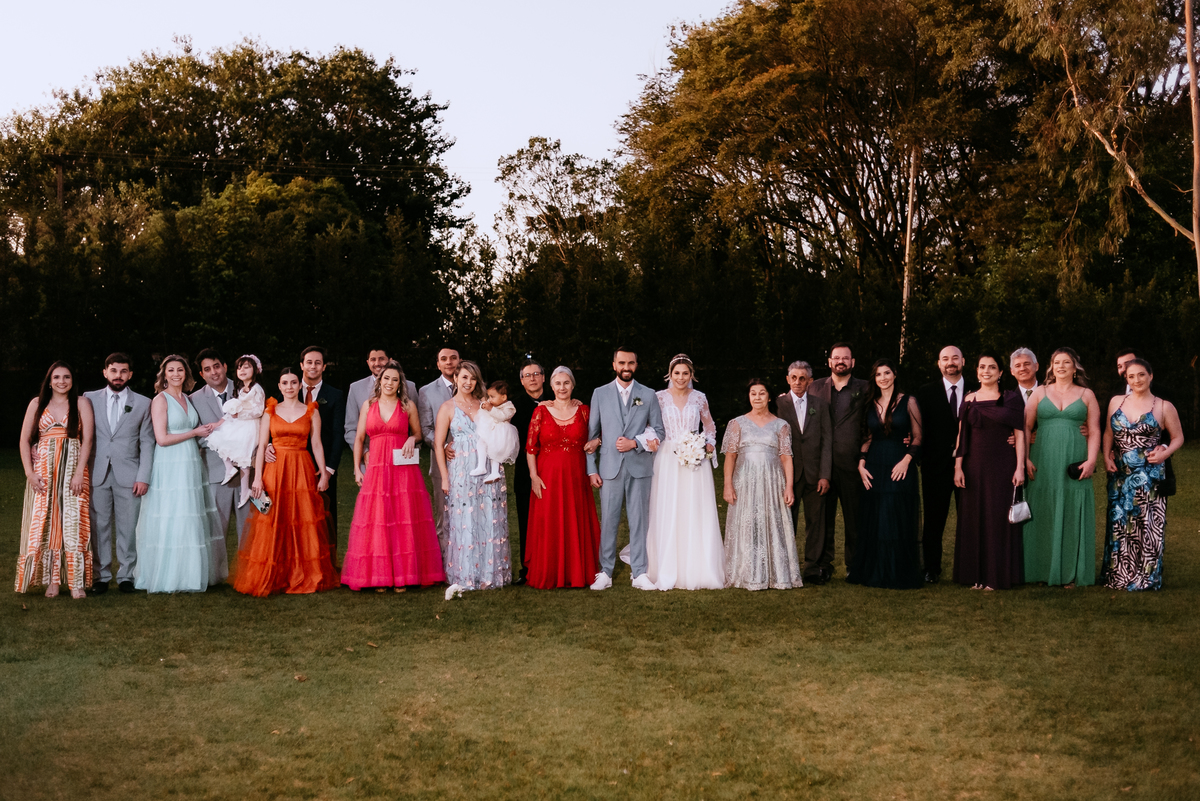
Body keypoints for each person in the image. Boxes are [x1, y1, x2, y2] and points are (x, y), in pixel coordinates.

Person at [235, 367, 340, 596]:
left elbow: (317, 444)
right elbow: (262, 446)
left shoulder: (311, 411)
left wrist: (324, 473)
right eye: (285, 383)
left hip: (301, 468)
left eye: (293, 382)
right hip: (275, 471)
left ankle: (303, 572)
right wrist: (257, 478)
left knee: (302, 518)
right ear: (279, 386)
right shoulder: (270, 411)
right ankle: (274, 573)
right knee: (274, 518)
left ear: (299, 385)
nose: (290, 386)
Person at [342, 361, 445, 592]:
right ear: (380, 381)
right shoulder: (369, 405)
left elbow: (418, 433)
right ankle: (379, 575)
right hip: (376, 469)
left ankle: (404, 575)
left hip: (403, 470)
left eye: (395, 380)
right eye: (386, 378)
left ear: (400, 384)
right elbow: (359, 438)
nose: (389, 383)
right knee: (378, 519)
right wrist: (357, 468)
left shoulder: (407, 406)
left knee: (403, 517)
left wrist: (411, 439)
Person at [134, 355, 222, 592]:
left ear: (186, 374)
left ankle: (190, 575)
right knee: (172, 514)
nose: (176, 374)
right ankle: (168, 576)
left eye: (180, 370)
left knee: (189, 514)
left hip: (190, 461)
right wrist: (194, 433)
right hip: (169, 463)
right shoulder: (160, 400)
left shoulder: (187, 399)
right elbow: (162, 439)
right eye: (171, 370)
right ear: (164, 375)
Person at [636, 354, 725, 591]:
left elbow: (709, 426)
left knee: (694, 507)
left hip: (694, 458)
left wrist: (708, 443)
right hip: (667, 458)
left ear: (691, 375)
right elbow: (650, 426)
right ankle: (665, 565)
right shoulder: (659, 397)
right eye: (677, 373)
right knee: (668, 507)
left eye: (686, 373)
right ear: (670, 374)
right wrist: (652, 439)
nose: (681, 377)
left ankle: (697, 566)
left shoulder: (699, 398)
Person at [585, 347, 665, 591]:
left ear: (636, 365)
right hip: (609, 468)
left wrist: (635, 443)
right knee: (609, 520)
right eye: (622, 363)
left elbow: (659, 431)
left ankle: (639, 572)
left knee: (639, 521)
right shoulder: (600, 393)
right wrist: (591, 469)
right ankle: (605, 572)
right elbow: (592, 436)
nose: (626, 367)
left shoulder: (648, 394)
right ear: (614, 365)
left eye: (630, 363)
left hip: (639, 467)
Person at [1100, 358, 1183, 590]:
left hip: (1150, 476)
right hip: (1120, 475)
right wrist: (1106, 457)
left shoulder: (1163, 406)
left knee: (1147, 525)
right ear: (1126, 379)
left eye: (1141, 375)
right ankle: (1118, 575)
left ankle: (1146, 577)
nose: (1136, 380)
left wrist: (1165, 454)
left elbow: (1178, 438)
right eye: (1131, 376)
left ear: (1150, 376)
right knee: (1120, 523)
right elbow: (1108, 433)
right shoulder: (1116, 401)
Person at [15, 362, 95, 599]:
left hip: (73, 470)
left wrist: (79, 472)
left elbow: (88, 439)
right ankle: (52, 581)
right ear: (49, 381)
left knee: (73, 521)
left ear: (72, 380)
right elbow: (24, 440)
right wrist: (29, 473)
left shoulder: (81, 403)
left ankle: (76, 583)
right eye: (57, 377)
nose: (62, 381)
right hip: (44, 472)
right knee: (47, 523)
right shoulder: (37, 403)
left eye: (67, 377)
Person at [1023, 347, 1101, 587]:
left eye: (1066, 362)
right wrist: (1025, 458)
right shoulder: (1039, 392)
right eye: (1057, 362)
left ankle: (1070, 572)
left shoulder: (1087, 394)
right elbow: (1026, 426)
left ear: (1075, 367)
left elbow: (1095, 429)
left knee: (1072, 511)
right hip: (1043, 460)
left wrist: (1091, 461)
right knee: (1043, 510)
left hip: (1073, 460)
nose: (1061, 366)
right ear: (1051, 367)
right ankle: (1039, 570)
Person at [434, 361, 511, 596]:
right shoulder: (447, 407)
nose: (468, 382)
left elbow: (503, 423)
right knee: (464, 519)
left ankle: (490, 574)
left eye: (473, 378)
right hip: (460, 471)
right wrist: (444, 478)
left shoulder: (485, 404)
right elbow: (438, 445)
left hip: (487, 468)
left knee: (489, 518)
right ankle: (465, 574)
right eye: (464, 377)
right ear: (456, 378)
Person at [847, 359, 924, 589]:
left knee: (895, 515)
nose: (883, 378)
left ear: (895, 374)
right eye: (879, 374)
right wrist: (861, 464)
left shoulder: (909, 401)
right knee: (876, 516)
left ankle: (896, 572)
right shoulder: (870, 403)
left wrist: (907, 461)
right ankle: (875, 570)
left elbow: (918, 436)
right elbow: (868, 437)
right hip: (874, 465)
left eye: (887, 373)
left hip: (899, 464)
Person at [952, 353, 1026, 590]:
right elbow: (961, 436)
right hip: (974, 466)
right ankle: (975, 576)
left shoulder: (1011, 399)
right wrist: (958, 467)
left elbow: (1020, 435)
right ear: (976, 371)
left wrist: (1020, 467)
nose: (986, 371)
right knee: (973, 518)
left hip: (1002, 466)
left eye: (992, 367)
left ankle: (996, 576)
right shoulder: (969, 399)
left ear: (1000, 372)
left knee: (997, 519)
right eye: (982, 367)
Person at [721, 378, 802, 590]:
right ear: (748, 397)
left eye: (762, 393)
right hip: (745, 480)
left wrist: (789, 486)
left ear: (769, 397)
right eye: (753, 393)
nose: (757, 397)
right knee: (747, 523)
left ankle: (776, 574)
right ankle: (746, 573)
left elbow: (786, 457)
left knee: (772, 523)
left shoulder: (781, 425)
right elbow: (730, 456)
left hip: (772, 481)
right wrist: (727, 485)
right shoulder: (737, 423)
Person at [524, 366, 602, 589]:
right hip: (547, 477)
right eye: (557, 383)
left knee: (575, 520)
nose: (562, 387)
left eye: (566, 383)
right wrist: (533, 476)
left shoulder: (584, 411)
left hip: (576, 477)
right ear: (551, 386)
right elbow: (531, 448)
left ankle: (577, 572)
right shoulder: (540, 411)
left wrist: (597, 441)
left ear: (573, 385)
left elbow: (600, 432)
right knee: (550, 522)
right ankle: (550, 572)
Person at [85, 353, 155, 594]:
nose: (118, 375)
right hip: (97, 472)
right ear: (105, 372)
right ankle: (101, 577)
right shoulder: (88, 399)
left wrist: (143, 476)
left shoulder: (144, 403)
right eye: (114, 371)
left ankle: (126, 576)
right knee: (99, 526)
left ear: (130, 374)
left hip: (130, 475)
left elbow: (147, 442)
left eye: (123, 371)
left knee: (128, 527)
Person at [808, 343, 869, 581]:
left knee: (855, 519)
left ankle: (855, 565)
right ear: (829, 362)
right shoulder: (814, 387)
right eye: (836, 358)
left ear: (853, 362)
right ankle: (823, 566)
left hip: (853, 463)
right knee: (823, 519)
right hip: (821, 465)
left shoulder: (865, 388)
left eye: (845, 358)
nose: (840, 361)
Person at [775, 360, 832, 585]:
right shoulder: (778, 404)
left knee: (815, 523)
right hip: (787, 474)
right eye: (794, 378)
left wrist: (825, 474)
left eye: (802, 378)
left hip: (815, 473)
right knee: (786, 521)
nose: (798, 382)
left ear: (810, 381)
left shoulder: (821, 405)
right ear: (787, 379)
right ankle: (786, 567)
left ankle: (812, 568)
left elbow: (827, 441)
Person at [193, 349, 252, 550]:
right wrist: (228, 446)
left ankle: (248, 570)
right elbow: (198, 437)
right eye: (207, 369)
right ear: (202, 374)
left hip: (247, 471)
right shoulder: (194, 399)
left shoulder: (247, 389)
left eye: (217, 366)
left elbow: (261, 423)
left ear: (225, 367)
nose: (214, 372)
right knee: (216, 533)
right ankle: (216, 570)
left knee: (250, 531)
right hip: (216, 474)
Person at [916, 345, 965, 583]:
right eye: (945, 358)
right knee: (934, 520)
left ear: (963, 361)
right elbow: (916, 426)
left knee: (970, 518)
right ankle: (931, 568)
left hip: (970, 465)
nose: (950, 362)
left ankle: (969, 568)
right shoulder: (925, 393)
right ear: (939, 364)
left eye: (955, 358)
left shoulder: (978, 390)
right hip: (935, 466)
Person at [299, 346, 345, 552]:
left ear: (324, 367)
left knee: (326, 514)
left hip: (323, 465)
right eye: (309, 362)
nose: (313, 366)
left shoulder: (335, 395)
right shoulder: (288, 390)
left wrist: (329, 469)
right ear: (301, 365)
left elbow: (338, 434)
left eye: (318, 363)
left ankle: (327, 561)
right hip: (294, 462)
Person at [202, 354, 265, 504]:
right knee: (218, 435)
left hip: (250, 426)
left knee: (244, 458)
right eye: (239, 367)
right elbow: (232, 412)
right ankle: (229, 468)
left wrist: (240, 414)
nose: (242, 370)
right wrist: (218, 424)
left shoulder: (257, 389)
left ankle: (244, 490)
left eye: (247, 367)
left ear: (255, 370)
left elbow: (259, 410)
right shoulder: (242, 389)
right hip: (240, 424)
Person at [344, 347, 417, 471]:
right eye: (373, 359)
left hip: (402, 460)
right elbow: (351, 429)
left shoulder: (410, 387)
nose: (377, 363)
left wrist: (411, 450)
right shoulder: (356, 388)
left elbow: (416, 426)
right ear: (368, 362)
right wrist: (364, 452)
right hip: (370, 461)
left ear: (390, 360)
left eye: (381, 359)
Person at [419, 347, 461, 562]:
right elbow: (425, 428)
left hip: (471, 461)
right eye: (444, 359)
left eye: (453, 358)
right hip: (441, 461)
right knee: (444, 514)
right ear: (438, 364)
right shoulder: (427, 391)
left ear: (459, 360)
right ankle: (444, 564)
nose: (449, 362)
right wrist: (442, 446)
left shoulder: (472, 385)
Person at [1115, 349, 1175, 497]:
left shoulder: (1164, 394)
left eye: (1127, 363)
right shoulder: (1114, 396)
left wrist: (1165, 448)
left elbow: (1177, 430)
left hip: (1153, 465)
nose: (1123, 369)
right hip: (1121, 469)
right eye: (1119, 366)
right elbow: (1106, 427)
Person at [511, 360, 550, 584]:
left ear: (544, 377)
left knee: (552, 518)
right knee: (526, 520)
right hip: (525, 471)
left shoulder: (556, 400)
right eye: (528, 375)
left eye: (536, 374)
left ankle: (552, 563)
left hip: (553, 468)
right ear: (521, 380)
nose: (533, 378)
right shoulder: (513, 406)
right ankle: (527, 568)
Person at [470, 380, 520, 483]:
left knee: (495, 452)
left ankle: (494, 472)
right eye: (489, 396)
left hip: (501, 434)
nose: (490, 399)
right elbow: (483, 411)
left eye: (492, 397)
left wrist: (491, 409)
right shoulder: (492, 403)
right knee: (481, 443)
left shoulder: (509, 407)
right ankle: (481, 466)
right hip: (490, 431)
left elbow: (502, 416)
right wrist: (483, 406)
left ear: (503, 397)